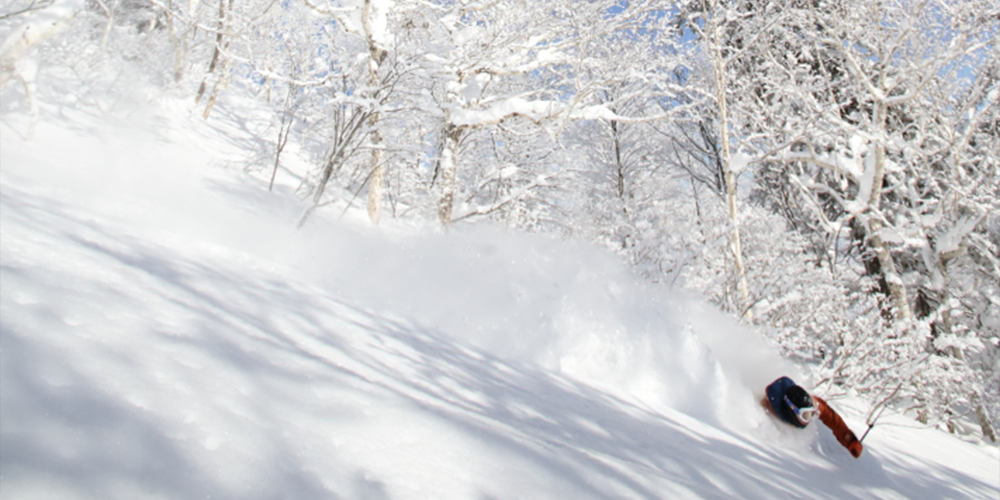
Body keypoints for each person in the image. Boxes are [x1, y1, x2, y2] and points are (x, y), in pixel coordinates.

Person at [762, 376, 864, 458]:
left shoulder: (812, 404)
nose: (810, 419)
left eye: (811, 414)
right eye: (806, 416)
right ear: (793, 410)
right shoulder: (770, 408)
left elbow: (832, 419)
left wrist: (850, 440)